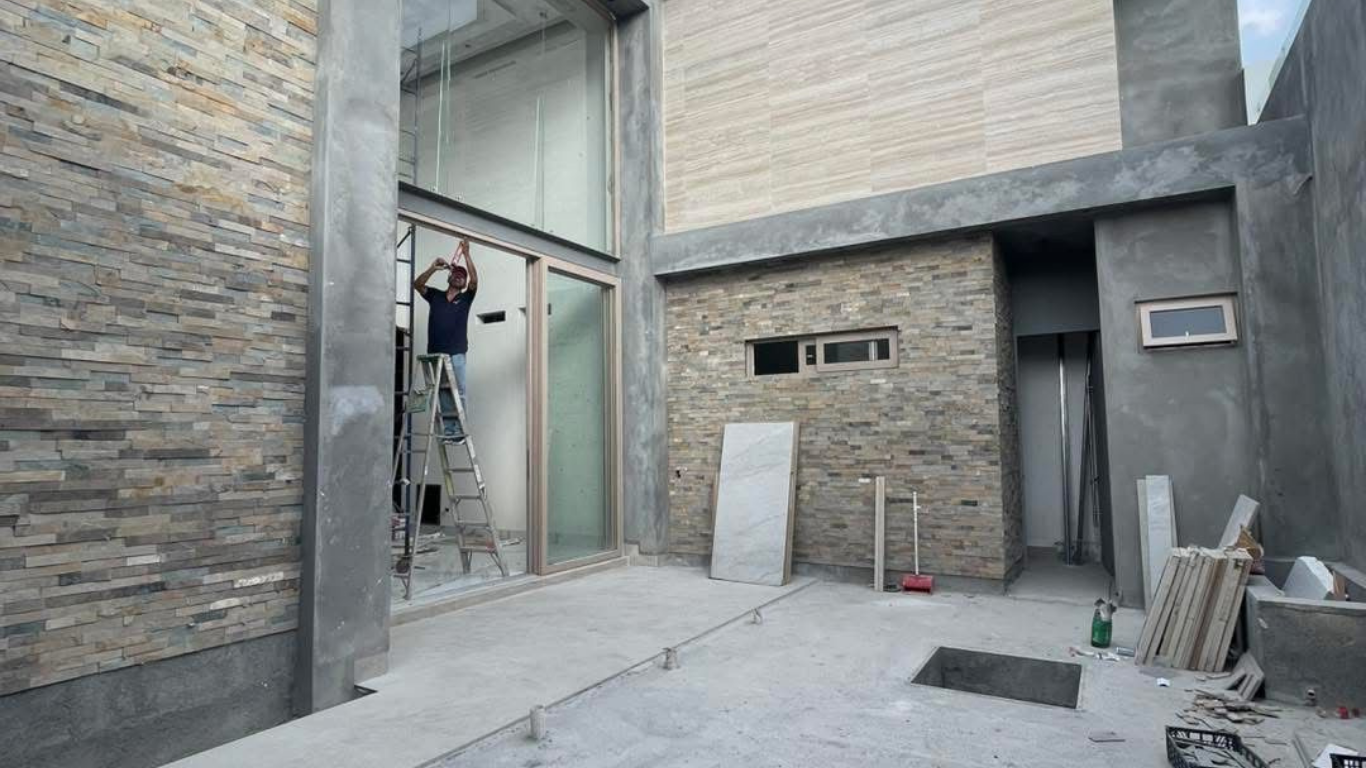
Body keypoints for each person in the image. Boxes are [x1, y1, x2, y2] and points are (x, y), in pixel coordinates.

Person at [412, 239, 479, 443]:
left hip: (456, 353)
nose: (460, 277)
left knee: (459, 392)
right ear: (449, 276)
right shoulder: (435, 296)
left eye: (462, 276)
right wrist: (433, 268)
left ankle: (460, 431)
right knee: (443, 394)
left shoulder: (466, 298)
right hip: (436, 353)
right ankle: (449, 430)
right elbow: (417, 285)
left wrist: (466, 254)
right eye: (456, 273)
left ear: (464, 283)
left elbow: (475, 281)